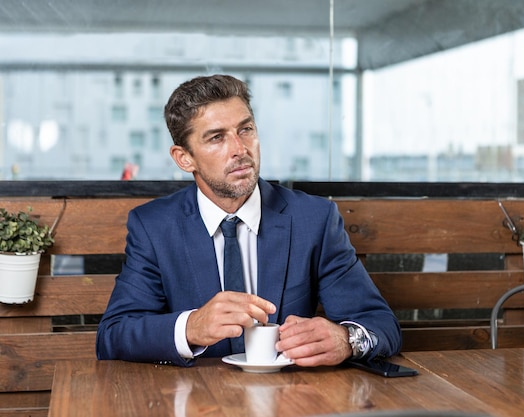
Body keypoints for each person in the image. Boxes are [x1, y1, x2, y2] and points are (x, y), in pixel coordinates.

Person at [96, 74, 402, 367]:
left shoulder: (314, 219)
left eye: (246, 130)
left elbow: (380, 324)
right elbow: (113, 336)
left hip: (292, 399)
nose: (240, 150)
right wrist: (190, 327)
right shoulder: (153, 227)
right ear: (184, 158)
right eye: (217, 137)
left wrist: (347, 340)